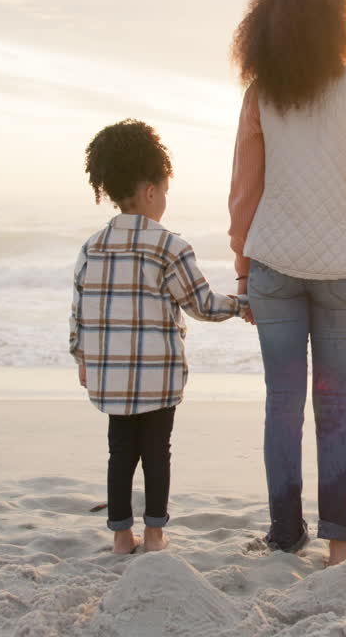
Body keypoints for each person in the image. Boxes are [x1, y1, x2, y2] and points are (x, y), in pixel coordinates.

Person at [227, 0, 346, 567]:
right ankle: (338, 548)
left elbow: (244, 190)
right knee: (337, 406)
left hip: (273, 264)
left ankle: (282, 535)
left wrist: (243, 271)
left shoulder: (261, 96)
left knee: (282, 402)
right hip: (342, 271)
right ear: (339, 26)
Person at [69, 119, 248, 555]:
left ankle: (119, 536)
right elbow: (201, 304)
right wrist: (244, 304)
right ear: (151, 190)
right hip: (158, 377)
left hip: (112, 377)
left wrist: (83, 360)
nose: (165, 199)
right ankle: (153, 535)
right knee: (156, 453)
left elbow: (80, 311)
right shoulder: (169, 247)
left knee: (119, 453)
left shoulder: (92, 247)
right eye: (164, 191)